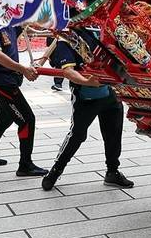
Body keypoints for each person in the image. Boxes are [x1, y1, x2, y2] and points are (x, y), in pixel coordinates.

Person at [40, 35, 134, 190]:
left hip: (110, 92)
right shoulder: (65, 40)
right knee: (77, 134)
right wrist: (86, 81)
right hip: (85, 95)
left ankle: (112, 171)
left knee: (114, 133)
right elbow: (68, 71)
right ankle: (55, 171)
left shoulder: (99, 31)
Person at [0, 25, 47, 176]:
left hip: (10, 79)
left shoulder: (8, 22)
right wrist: (23, 69)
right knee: (27, 119)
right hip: (1, 81)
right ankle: (25, 164)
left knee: (7, 115)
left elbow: (28, 24)